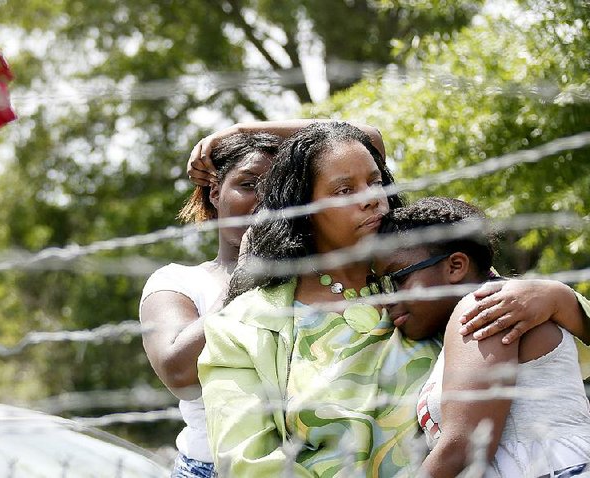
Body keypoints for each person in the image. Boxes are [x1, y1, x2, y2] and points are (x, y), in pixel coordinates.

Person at [195, 121, 590, 477]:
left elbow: (556, 355)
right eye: (344, 189)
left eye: (375, 182)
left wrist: (558, 298)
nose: (371, 199)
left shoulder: (429, 277)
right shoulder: (244, 327)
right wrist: (239, 132)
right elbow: (248, 464)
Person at [142, 120, 386, 477]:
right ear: (214, 192)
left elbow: (368, 139)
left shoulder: (310, 277)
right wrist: (246, 274)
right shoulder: (179, 281)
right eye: (247, 185)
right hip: (213, 467)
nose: (262, 200)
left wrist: (239, 131)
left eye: (276, 188)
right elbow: (178, 373)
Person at [373, 197, 590, 478]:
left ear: (455, 266)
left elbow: (463, 447)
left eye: (396, 280)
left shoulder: (485, 307)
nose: (387, 300)